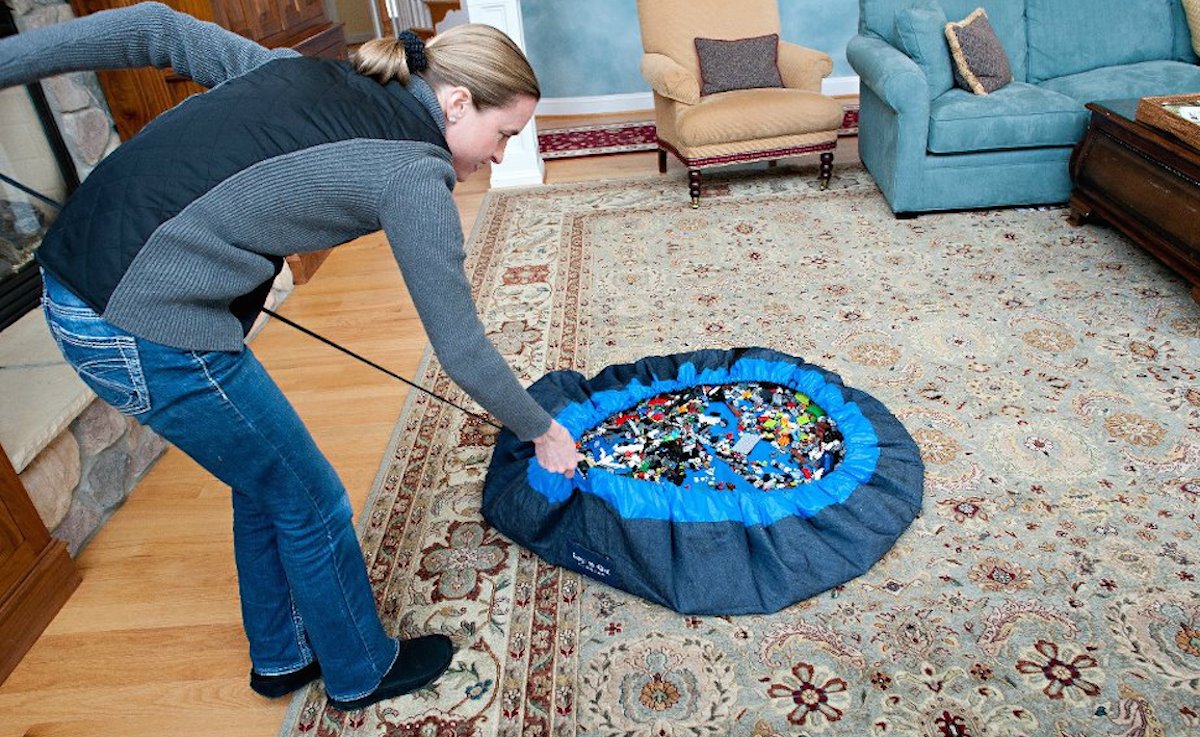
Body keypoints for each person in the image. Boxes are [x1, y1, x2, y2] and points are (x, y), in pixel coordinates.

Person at [0, 2, 580, 711]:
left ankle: (280, 654)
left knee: (266, 474)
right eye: (503, 134)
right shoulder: (414, 174)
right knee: (311, 496)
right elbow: (460, 345)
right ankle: (361, 667)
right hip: (138, 324)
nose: (498, 155)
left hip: (79, 285)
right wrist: (542, 430)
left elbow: (158, 25)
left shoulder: (302, 72)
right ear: (457, 102)